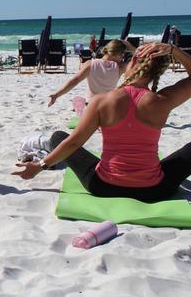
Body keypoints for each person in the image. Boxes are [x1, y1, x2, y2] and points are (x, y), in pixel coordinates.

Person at [13, 42, 191, 203]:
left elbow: (74, 143)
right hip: (153, 191)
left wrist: (39, 166)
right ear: (158, 72)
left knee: (59, 136)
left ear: (134, 62)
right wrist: (173, 49)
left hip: (104, 186)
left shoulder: (101, 101)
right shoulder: (163, 100)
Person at [48, 39, 133, 106]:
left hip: (92, 105)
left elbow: (74, 81)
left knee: (80, 102)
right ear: (117, 53)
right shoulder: (121, 67)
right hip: (108, 105)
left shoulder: (90, 64)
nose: (123, 57)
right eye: (122, 54)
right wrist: (132, 48)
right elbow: (139, 62)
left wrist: (56, 95)